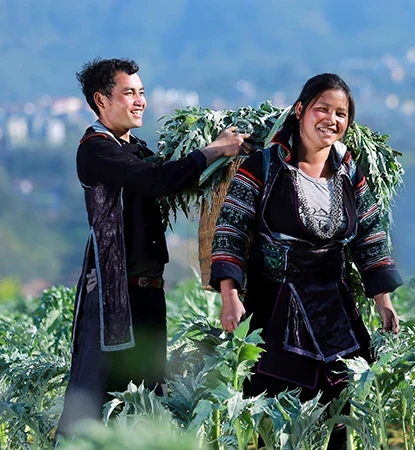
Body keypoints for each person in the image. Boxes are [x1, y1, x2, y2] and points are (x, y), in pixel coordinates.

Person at [56, 58, 254, 440]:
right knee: (102, 398)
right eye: (129, 92)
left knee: (146, 397)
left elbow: (174, 174)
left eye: (141, 92)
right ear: (101, 100)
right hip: (115, 294)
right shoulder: (95, 150)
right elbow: (158, 180)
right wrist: (213, 150)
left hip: (147, 291)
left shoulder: (136, 148)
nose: (139, 101)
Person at [210, 73, 402, 448]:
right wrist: (229, 296)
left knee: (336, 412)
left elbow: (370, 236)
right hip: (276, 308)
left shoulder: (349, 172)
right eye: (322, 109)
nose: (332, 119)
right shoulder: (264, 167)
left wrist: (384, 300)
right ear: (300, 111)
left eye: (341, 113)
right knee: (279, 415)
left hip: (336, 309)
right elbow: (230, 230)